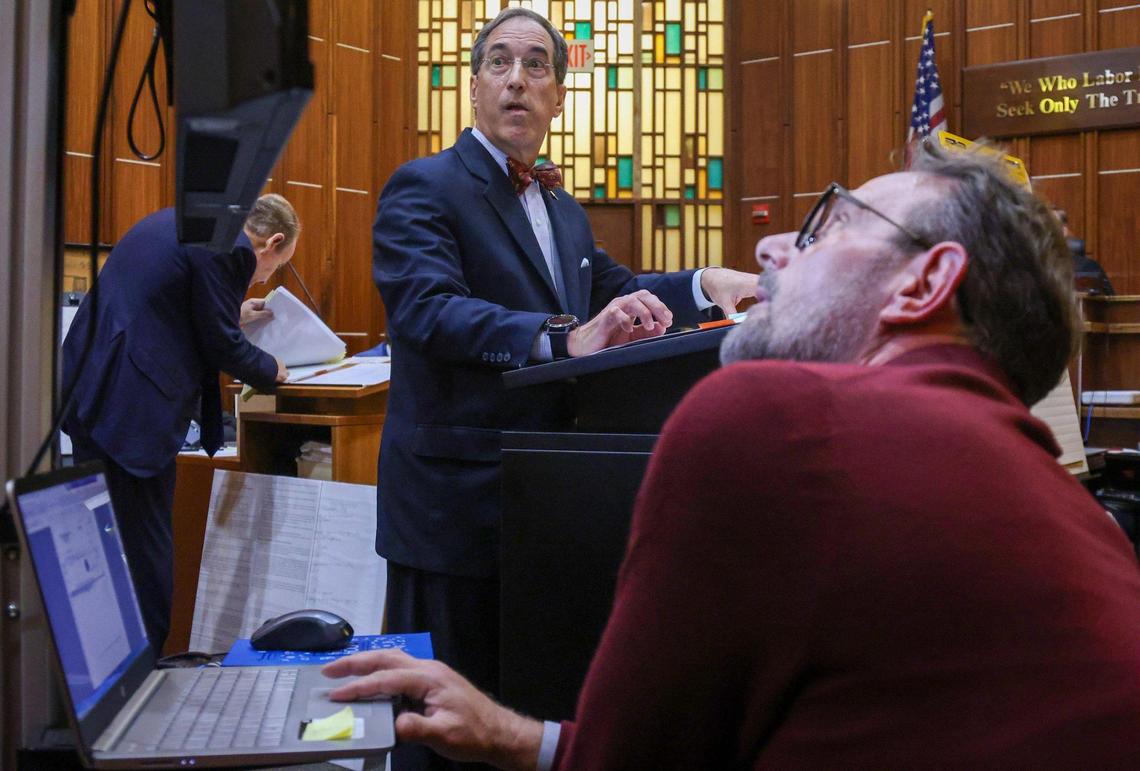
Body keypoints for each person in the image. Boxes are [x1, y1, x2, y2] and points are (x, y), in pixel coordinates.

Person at [330, 143, 1140, 767]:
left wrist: (515, 736)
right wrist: (515, 733)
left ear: (923, 286)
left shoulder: (778, 426)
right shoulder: (1091, 524)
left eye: (832, 222)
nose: (776, 246)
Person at [370, 4, 756, 742]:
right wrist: (559, 337)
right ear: (475, 85)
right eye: (501, 63)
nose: (518, 79)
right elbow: (428, 310)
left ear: (558, 92)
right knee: (438, 726)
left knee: (516, 710)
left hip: (542, 500)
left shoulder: (561, 207)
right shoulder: (424, 185)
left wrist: (711, 282)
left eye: (537, 65)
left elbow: (617, 291)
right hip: (453, 507)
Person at [62, 193, 299, 652]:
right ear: (271, 243)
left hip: (91, 393)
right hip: (131, 413)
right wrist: (271, 368)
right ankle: (148, 666)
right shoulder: (232, 248)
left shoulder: (182, 221)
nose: (263, 280)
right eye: (275, 267)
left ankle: (106, 667)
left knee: (105, 550)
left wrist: (233, 314)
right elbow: (221, 346)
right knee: (145, 550)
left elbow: (171, 304)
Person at [1052, 206, 1114, 294]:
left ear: (1064, 231)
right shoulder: (1031, 266)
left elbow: (1110, 303)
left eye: (1051, 226)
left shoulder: (1088, 267)